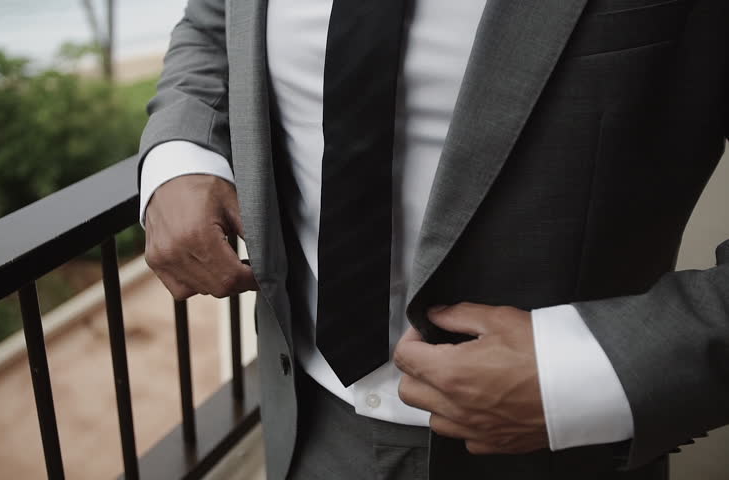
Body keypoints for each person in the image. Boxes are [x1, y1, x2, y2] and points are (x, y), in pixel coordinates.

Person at [138, 0, 729, 478]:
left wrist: (587, 375)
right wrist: (181, 153)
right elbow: (214, 22)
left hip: (555, 453)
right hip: (303, 420)